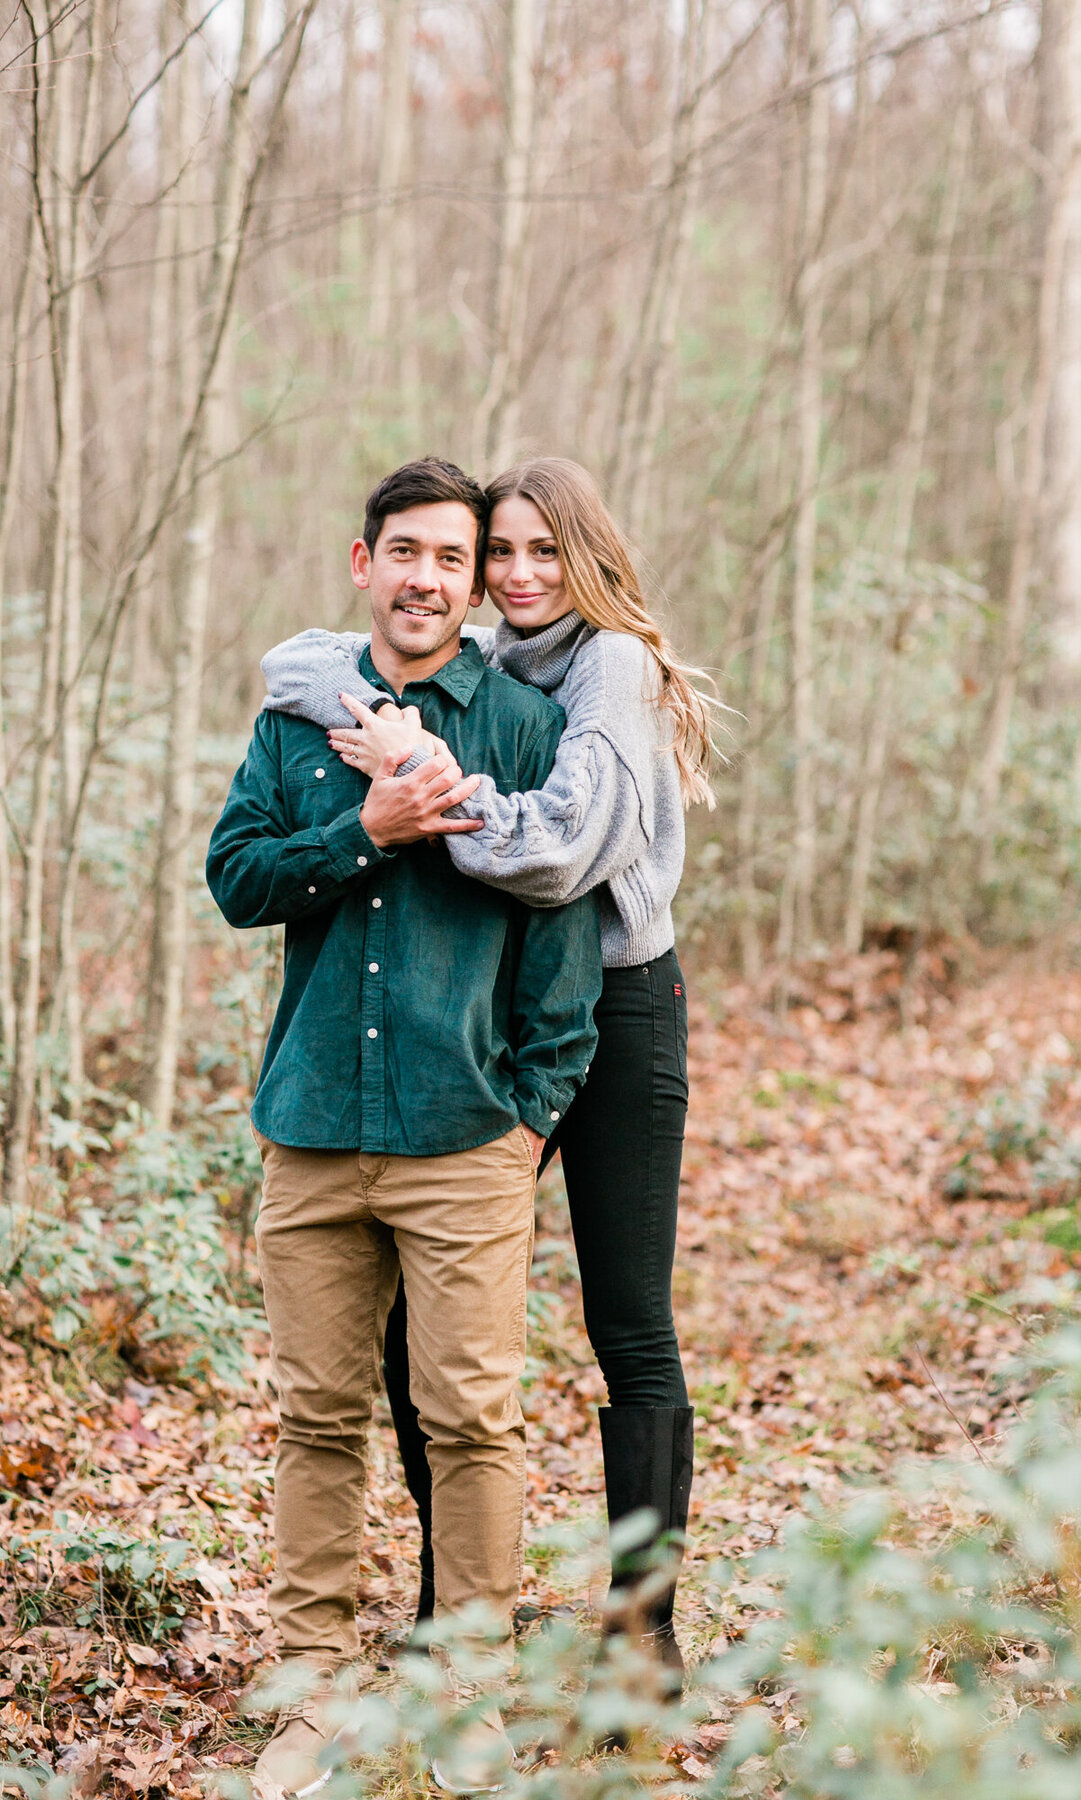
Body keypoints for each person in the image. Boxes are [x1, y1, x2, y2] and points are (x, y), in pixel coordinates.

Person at [261, 456, 719, 1685]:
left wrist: (434, 784)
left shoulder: (608, 664)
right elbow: (301, 668)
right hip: (489, 1001)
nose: (517, 575)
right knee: (429, 1325)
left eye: (540, 552)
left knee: (626, 1321)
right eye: (498, 553)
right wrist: (368, 714)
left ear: (587, 557)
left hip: (615, 1003)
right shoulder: (498, 658)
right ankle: (448, 1606)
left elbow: (564, 852)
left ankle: (643, 1636)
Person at [207, 458, 602, 1799]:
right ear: (361, 562)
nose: (429, 575)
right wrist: (364, 827)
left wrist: (526, 1116)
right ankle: (310, 1700)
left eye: (453, 556)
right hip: (311, 1124)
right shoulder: (293, 722)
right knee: (317, 1421)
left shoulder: (520, 731)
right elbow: (237, 879)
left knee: (473, 1421)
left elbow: (563, 959)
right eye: (407, 551)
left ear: (472, 578)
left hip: (462, 1133)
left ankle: (466, 1702)